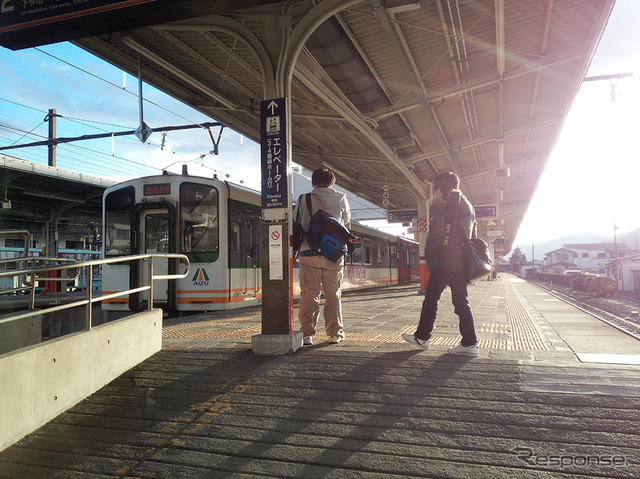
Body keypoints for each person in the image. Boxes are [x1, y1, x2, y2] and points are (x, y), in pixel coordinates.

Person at [402, 172, 479, 356]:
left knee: (431, 299)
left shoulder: (440, 205)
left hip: (445, 260)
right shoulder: (467, 205)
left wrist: (430, 258)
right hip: (460, 261)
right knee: (461, 301)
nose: (434, 192)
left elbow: (435, 236)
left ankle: (422, 337)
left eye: (435, 187)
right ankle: (470, 343)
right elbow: (473, 235)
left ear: (440, 188)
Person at [294, 168, 351, 345]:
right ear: (331, 182)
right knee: (333, 294)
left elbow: (297, 223)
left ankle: (307, 333)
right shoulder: (342, 198)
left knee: (309, 294)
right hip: (333, 255)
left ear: (313, 182)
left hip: (309, 253)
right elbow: (347, 224)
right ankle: (335, 334)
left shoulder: (304, 198)